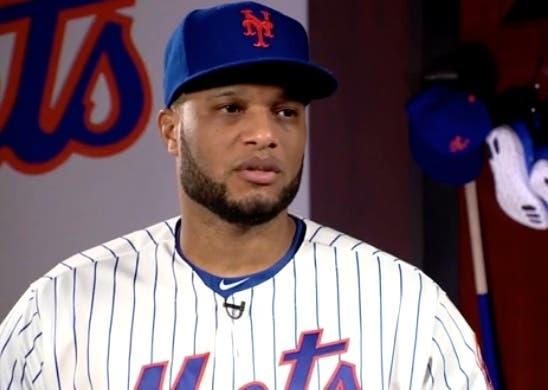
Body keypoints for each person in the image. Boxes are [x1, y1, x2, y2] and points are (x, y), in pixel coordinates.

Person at [0, 1, 492, 389]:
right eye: (231, 108)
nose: (264, 134)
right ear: (172, 132)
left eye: (285, 111)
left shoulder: (404, 302)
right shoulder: (59, 308)